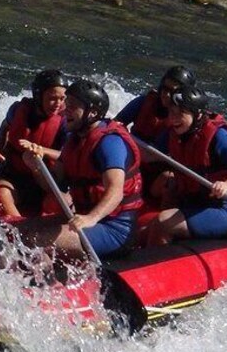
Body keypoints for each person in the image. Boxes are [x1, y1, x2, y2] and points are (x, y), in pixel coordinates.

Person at [17, 80, 143, 260]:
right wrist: (36, 167)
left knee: (37, 240)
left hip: (115, 229)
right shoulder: (74, 140)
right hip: (83, 218)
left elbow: (116, 192)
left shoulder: (110, 143)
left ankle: (49, 285)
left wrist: (90, 218)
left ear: (91, 113)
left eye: (72, 106)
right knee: (20, 231)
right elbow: (55, 187)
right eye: (66, 104)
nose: (64, 110)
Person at [147, 86, 227, 246]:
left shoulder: (218, 136)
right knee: (167, 185)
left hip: (223, 207)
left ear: (198, 115)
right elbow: (149, 154)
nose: (173, 118)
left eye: (180, 113)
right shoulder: (173, 132)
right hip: (194, 200)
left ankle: (155, 264)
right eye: (171, 112)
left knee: (162, 222)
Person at [0, 69, 69, 217]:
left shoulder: (64, 122)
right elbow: (5, 126)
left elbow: (65, 155)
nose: (58, 104)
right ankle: (17, 224)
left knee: (56, 202)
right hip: (15, 175)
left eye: (62, 99)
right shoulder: (18, 110)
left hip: (45, 179)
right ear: (38, 95)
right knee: (2, 193)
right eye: (52, 98)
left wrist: (42, 150)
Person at [115, 66, 197, 200]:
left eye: (173, 91)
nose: (167, 94)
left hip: (159, 171)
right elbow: (115, 125)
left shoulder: (185, 121)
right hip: (132, 161)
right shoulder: (144, 102)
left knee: (168, 180)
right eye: (165, 88)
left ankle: (162, 214)